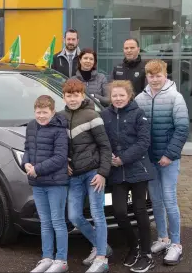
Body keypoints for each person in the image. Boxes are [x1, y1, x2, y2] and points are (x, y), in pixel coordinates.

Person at [135, 59, 189, 266]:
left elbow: (182, 128)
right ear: (146, 76)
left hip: (168, 159)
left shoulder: (176, 98)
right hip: (150, 160)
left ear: (165, 75)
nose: (155, 79)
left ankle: (176, 243)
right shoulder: (141, 99)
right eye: (151, 76)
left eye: (158, 75)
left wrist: (169, 154)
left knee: (169, 199)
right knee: (156, 201)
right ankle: (163, 238)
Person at [100, 80, 155, 272]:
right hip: (116, 172)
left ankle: (147, 254)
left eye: (121, 95)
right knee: (120, 211)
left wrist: (123, 158)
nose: (118, 99)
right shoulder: (105, 115)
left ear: (129, 95)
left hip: (138, 169)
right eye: (114, 95)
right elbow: (102, 141)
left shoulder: (138, 114)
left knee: (140, 211)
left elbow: (143, 142)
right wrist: (110, 158)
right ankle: (134, 245)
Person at [59, 79, 113, 273]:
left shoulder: (92, 115)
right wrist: (63, 161)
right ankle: (100, 245)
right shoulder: (60, 117)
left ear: (83, 95)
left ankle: (101, 259)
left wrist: (102, 173)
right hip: (74, 176)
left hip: (93, 174)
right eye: (69, 95)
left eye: (76, 95)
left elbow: (106, 147)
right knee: (74, 216)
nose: (72, 99)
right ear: (63, 96)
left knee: (98, 214)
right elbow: (58, 147)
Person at [22, 95, 69, 273]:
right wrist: (25, 163)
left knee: (58, 222)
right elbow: (27, 148)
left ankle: (62, 260)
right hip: (37, 183)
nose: (41, 116)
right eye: (38, 112)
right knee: (45, 222)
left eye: (45, 112)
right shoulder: (31, 126)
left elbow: (60, 158)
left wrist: (37, 169)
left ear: (53, 112)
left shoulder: (59, 129)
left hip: (56, 183)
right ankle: (47, 257)